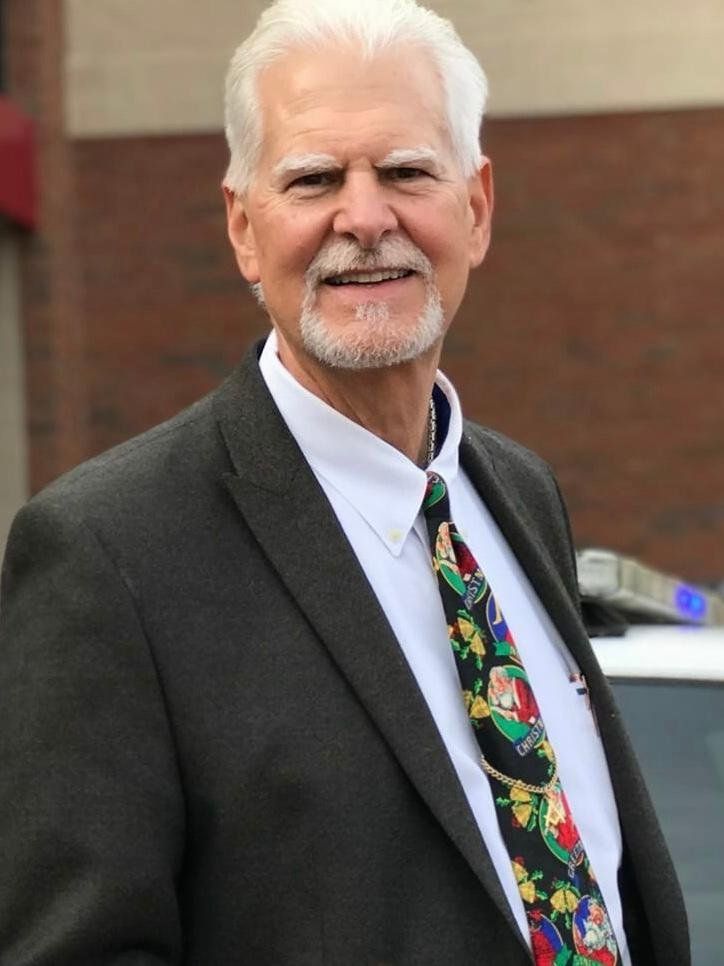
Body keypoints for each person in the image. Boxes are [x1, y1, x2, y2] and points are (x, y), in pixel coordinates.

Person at [0, 1, 688, 963]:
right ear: (244, 227)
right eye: (314, 178)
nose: (364, 219)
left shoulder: (519, 492)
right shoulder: (108, 554)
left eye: (406, 172)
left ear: (477, 208)